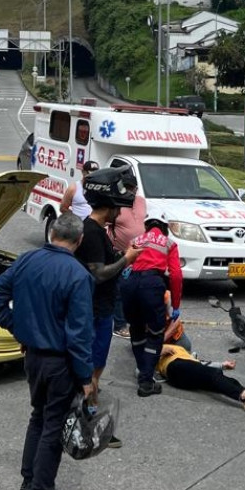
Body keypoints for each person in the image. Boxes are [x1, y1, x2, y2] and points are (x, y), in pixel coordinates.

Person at [0, 213, 95, 490]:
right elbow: (79, 333)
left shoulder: (26, 261)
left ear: (52, 233)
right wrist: (86, 377)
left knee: (38, 417)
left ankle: (29, 483)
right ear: (79, 240)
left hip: (33, 357)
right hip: (60, 362)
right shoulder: (77, 275)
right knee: (53, 425)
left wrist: (19, 328)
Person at [75, 167, 143, 407]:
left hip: (100, 308)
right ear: (109, 205)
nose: (119, 212)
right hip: (96, 310)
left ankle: (90, 404)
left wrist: (121, 254)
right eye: (118, 207)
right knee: (93, 368)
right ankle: (90, 417)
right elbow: (98, 273)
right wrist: (127, 259)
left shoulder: (95, 230)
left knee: (96, 366)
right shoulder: (92, 232)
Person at [121, 206, 182, 397]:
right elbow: (176, 276)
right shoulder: (169, 243)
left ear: (146, 225)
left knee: (136, 329)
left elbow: (124, 265)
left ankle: (143, 369)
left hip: (130, 284)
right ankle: (146, 381)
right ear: (164, 226)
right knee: (156, 333)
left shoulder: (136, 240)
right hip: (151, 285)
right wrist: (176, 305)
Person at [158, 344, 245, 411]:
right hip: (173, 368)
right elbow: (141, 368)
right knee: (212, 375)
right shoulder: (155, 344)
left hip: (187, 366)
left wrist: (222, 365)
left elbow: (198, 364)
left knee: (223, 378)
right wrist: (157, 351)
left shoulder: (180, 347)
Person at [108, 169, 148, 339]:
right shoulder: (114, 204)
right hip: (120, 253)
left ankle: (136, 321)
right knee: (119, 290)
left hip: (139, 255)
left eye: (134, 188)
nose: (132, 191)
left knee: (137, 290)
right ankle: (119, 324)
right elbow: (106, 224)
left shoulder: (141, 201)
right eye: (128, 188)